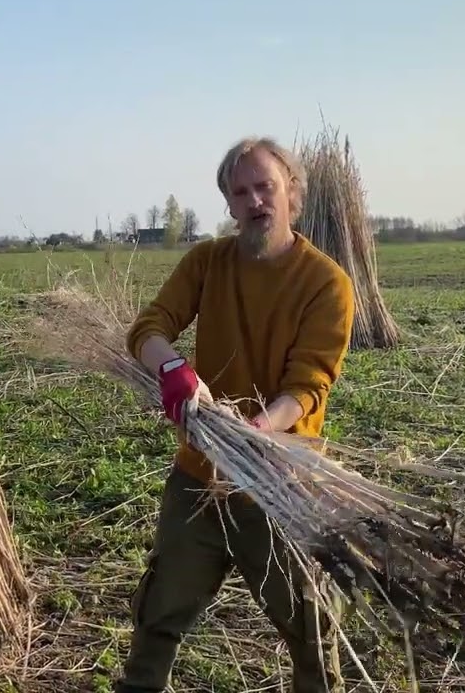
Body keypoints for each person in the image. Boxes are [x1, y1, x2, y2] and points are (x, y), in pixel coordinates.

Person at [115, 136, 356, 693]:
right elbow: (147, 328)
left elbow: (308, 385)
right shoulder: (207, 262)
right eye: (240, 191)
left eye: (264, 187)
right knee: (157, 616)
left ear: (290, 192)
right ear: (228, 203)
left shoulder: (326, 284)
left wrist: (259, 431)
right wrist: (171, 367)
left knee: (311, 635)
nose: (254, 201)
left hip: (280, 485)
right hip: (199, 478)